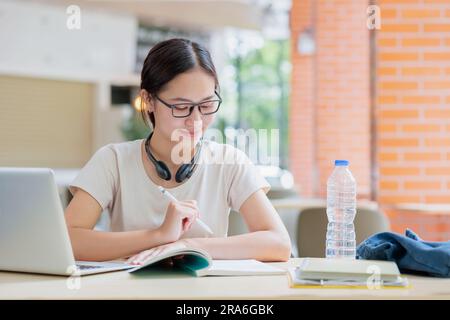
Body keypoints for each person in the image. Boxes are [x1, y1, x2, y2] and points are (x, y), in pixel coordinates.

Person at [65, 38, 291, 265]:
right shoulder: (113, 160)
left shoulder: (228, 162)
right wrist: (159, 236)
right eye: (181, 107)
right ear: (148, 101)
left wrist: (189, 245)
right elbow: (68, 240)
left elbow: (279, 244)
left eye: (206, 105)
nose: (196, 121)